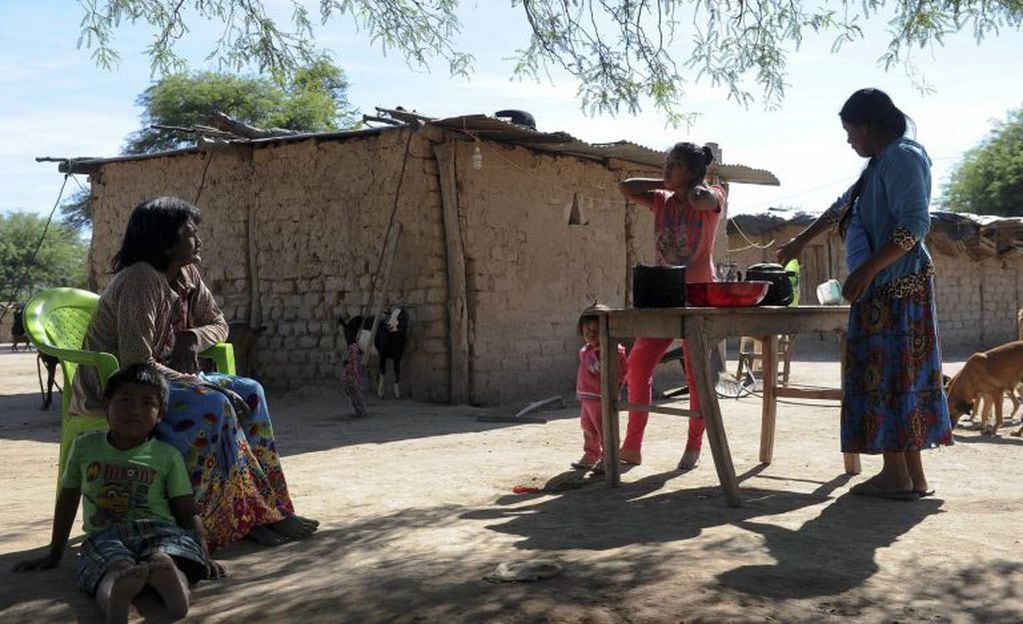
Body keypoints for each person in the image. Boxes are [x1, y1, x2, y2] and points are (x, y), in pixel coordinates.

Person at [71, 196, 318, 547]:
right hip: (123, 390)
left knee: (251, 390)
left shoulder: (186, 276)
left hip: (164, 381)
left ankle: (269, 508)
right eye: (190, 233)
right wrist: (203, 384)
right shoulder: (141, 281)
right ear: (166, 241)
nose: (198, 240)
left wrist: (192, 338)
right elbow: (136, 364)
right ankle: (232, 518)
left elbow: (218, 324)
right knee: (214, 404)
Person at [776, 88, 952, 500]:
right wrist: (800, 242)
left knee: (890, 376)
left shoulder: (904, 157)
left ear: (870, 126)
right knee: (899, 376)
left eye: (850, 130)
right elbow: (843, 206)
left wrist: (869, 268)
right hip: (882, 287)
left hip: (895, 287)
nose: (849, 140)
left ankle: (897, 474)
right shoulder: (879, 164)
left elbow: (914, 227)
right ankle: (911, 475)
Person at [14, 364, 224, 624]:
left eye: (147, 402)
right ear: (106, 404)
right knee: (111, 569)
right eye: (125, 400)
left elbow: (186, 509)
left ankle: (174, 589)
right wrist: (54, 552)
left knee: (167, 557)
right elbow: (68, 497)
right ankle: (116, 596)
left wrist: (204, 553)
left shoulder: (166, 455)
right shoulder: (85, 446)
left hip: (160, 530)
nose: (135, 409)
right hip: (105, 535)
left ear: (160, 414)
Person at [618, 142, 725, 469]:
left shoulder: (714, 193)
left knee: (695, 374)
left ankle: (693, 445)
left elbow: (705, 199)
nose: (666, 169)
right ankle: (632, 445)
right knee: (637, 364)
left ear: (693, 171)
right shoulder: (661, 200)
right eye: (666, 163)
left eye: (674, 165)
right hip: (664, 293)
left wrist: (691, 188)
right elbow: (625, 186)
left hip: (700, 294)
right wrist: (664, 183)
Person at [571, 303, 628, 473]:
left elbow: (622, 371)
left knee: (605, 429)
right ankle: (591, 454)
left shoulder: (613, 351)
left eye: (596, 331)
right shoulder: (585, 350)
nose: (591, 334)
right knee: (588, 427)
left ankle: (609, 458)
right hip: (587, 397)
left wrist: (614, 389)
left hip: (601, 397)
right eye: (587, 331)